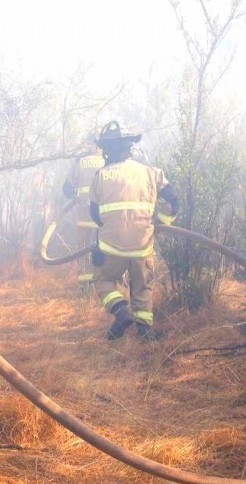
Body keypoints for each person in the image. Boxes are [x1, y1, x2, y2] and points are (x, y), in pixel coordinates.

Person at [89, 121, 180, 340]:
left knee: (103, 280)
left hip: (112, 246)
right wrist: (160, 225)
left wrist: (107, 232)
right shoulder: (151, 172)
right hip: (142, 245)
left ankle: (121, 312)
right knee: (142, 287)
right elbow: (174, 201)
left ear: (108, 150)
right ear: (129, 147)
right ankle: (145, 331)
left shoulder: (102, 175)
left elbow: (94, 214)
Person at [61, 140, 106, 291]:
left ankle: (85, 287)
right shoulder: (107, 160)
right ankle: (104, 283)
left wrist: (76, 194)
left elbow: (67, 189)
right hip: (104, 218)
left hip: (85, 216)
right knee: (105, 249)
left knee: (83, 250)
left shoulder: (80, 162)